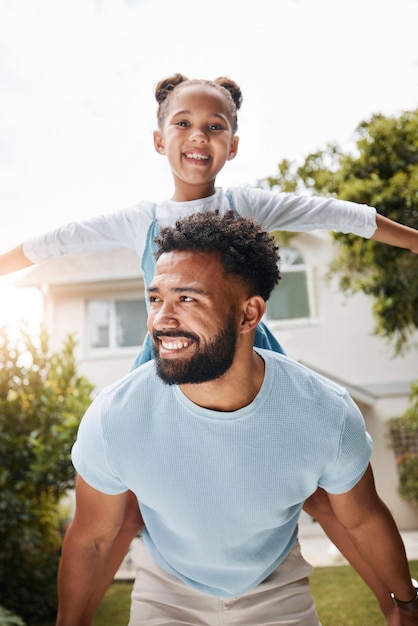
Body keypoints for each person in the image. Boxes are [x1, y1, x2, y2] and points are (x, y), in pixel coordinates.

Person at [3, 74, 417, 624]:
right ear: (158, 140)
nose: (199, 136)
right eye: (183, 123)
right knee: (123, 509)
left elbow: (336, 213)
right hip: (168, 359)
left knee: (318, 488)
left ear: (233, 145)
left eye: (214, 126)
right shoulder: (140, 220)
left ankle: (398, 597)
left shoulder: (245, 204)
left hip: (244, 349)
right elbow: (56, 241)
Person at [57, 210, 418, 626]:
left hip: (276, 587)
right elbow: (93, 538)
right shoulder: (114, 417)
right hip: (167, 592)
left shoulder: (326, 414)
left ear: (249, 314)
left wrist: (405, 602)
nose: (161, 319)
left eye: (188, 298)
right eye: (156, 298)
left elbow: (362, 518)